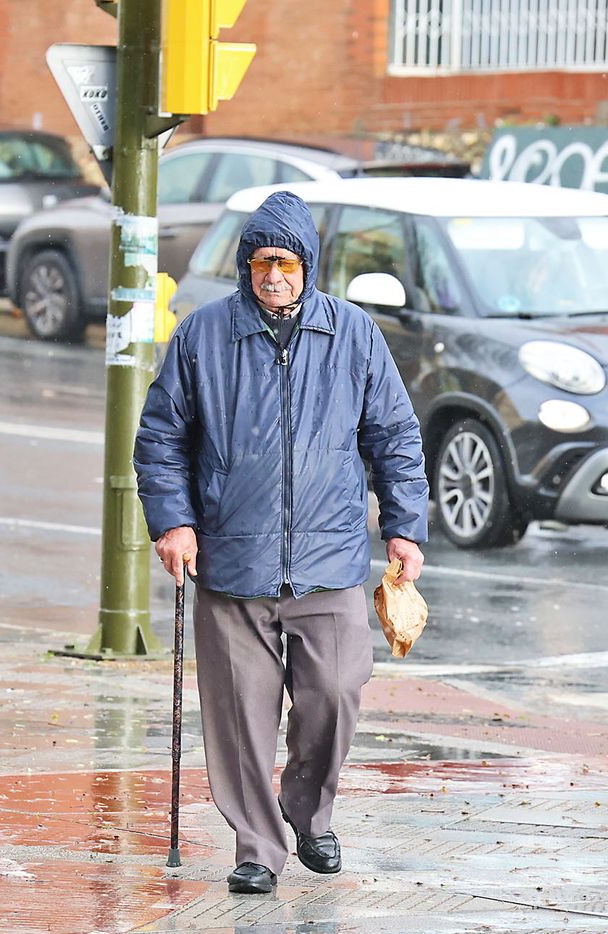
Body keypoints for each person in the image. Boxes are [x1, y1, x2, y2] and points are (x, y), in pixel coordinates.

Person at [134, 190, 428, 895]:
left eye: (287, 263)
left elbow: (394, 436)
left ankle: (308, 810)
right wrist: (173, 522)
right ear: (246, 264)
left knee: (334, 691)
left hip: (328, 561)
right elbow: (162, 438)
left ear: (309, 266)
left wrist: (404, 526)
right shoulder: (203, 337)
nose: (275, 277)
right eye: (264, 262)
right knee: (239, 714)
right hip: (233, 560)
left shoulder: (354, 336)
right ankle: (257, 845)